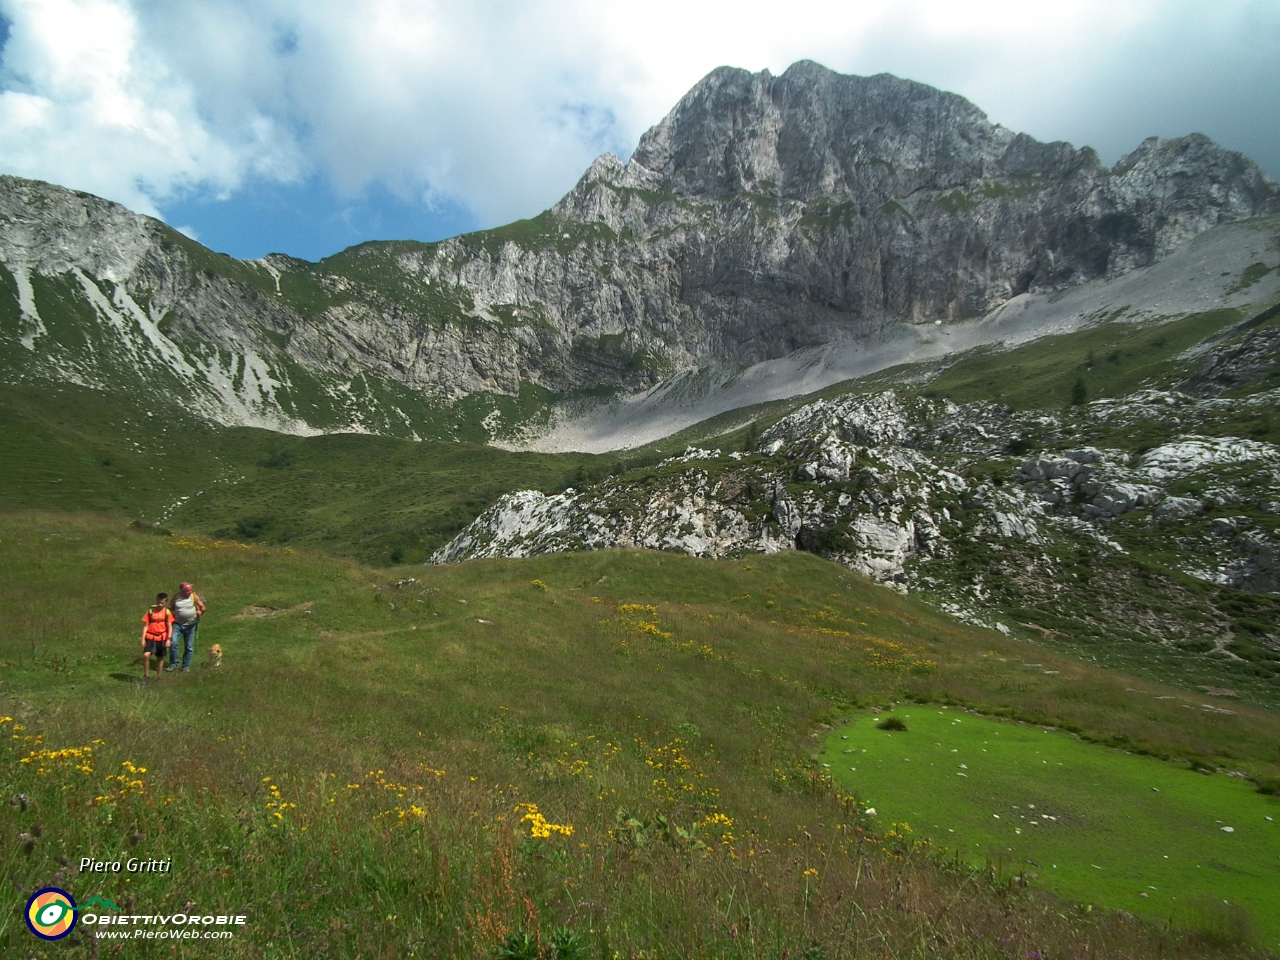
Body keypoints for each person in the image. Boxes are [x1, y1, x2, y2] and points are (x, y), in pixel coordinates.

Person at [169, 582, 206, 672]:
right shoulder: (176, 597)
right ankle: (174, 664)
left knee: (189, 647)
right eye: (188, 590)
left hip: (190, 625)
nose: (190, 591)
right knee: (173, 644)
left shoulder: (193, 596)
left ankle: (185, 666)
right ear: (182, 591)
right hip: (177, 624)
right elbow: (170, 608)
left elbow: (203, 607)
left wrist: (200, 612)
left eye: (191, 590)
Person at [141, 593, 173, 682]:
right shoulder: (151, 611)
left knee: (160, 657)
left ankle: (158, 677)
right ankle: (146, 676)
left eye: (162, 603)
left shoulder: (167, 613)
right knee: (146, 655)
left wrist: (169, 639)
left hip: (162, 637)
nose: (159, 605)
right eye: (158, 602)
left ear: (165, 603)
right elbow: (146, 625)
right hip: (150, 636)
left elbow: (170, 626)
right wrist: (143, 639)